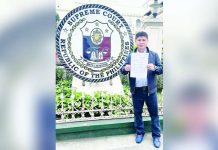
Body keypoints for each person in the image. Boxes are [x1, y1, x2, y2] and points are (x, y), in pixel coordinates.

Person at [121, 31, 163, 148]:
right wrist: (126, 68)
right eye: (139, 40)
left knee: (154, 114)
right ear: (135, 42)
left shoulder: (153, 55)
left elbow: (161, 69)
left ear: (147, 41)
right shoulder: (131, 56)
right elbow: (122, 70)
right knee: (137, 113)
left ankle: (156, 136)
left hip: (150, 91)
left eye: (143, 40)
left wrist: (154, 67)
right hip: (137, 90)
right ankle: (139, 133)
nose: (141, 42)